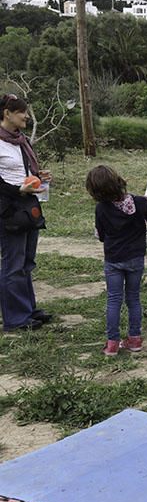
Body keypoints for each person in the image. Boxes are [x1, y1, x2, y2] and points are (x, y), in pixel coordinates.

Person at [86, 165, 147, 356]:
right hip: (135, 259)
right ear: (118, 181)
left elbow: (100, 235)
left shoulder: (101, 209)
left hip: (114, 260)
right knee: (133, 298)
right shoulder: (140, 202)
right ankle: (134, 340)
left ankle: (112, 344)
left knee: (114, 300)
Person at [0, 94, 52, 332]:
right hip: (9, 207)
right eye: (21, 111)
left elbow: (23, 170)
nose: (26, 116)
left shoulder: (20, 141)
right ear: (6, 113)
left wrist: (39, 177)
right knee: (13, 263)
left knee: (26, 261)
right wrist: (16, 189)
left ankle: (28, 310)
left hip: (28, 203)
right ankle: (15, 319)